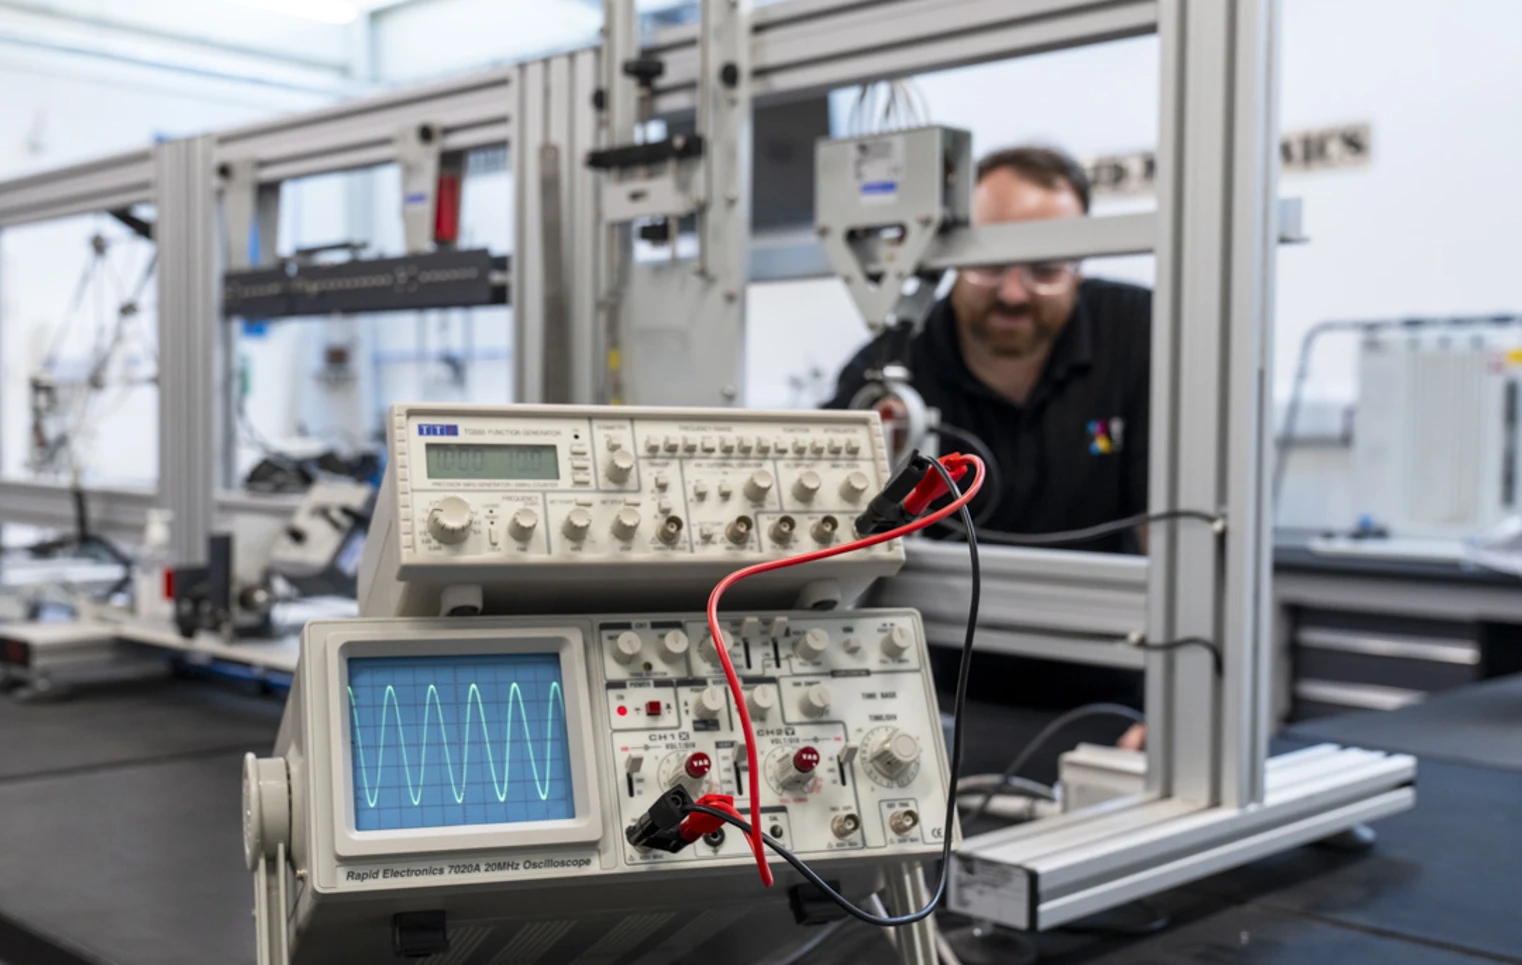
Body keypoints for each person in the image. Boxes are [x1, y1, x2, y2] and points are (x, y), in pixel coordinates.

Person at [826, 145, 1151, 747]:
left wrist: (1178, 705)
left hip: (1109, 710)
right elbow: (831, 543)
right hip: (930, 709)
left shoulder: (1141, 334)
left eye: (1046, 269)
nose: (1014, 293)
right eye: (988, 265)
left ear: (1081, 263)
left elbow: (1178, 533)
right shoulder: (893, 365)